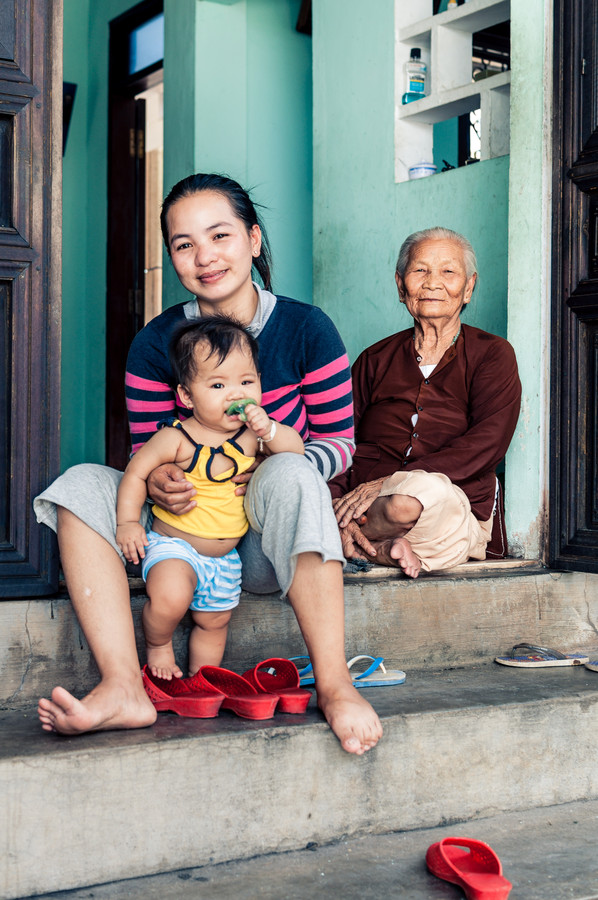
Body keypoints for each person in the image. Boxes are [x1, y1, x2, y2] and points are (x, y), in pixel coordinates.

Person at [34, 173, 382, 754]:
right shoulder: (156, 344)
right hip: (177, 540)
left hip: (260, 546)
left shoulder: (306, 329)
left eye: (219, 235)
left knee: (293, 470)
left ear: (253, 239)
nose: (204, 257)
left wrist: (269, 461)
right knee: (79, 484)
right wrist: (163, 483)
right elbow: (150, 448)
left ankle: (336, 683)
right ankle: (123, 687)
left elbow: (339, 445)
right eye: (184, 244)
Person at [116, 316, 304, 680]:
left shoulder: (251, 436)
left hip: (225, 560)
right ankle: (158, 646)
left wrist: (272, 430)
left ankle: (203, 677)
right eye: (218, 384)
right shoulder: (177, 438)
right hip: (175, 546)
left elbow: (295, 452)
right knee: (170, 598)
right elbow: (137, 472)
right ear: (186, 396)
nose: (236, 394)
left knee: (214, 622)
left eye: (247, 382)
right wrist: (127, 522)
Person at [330, 227, 521, 578]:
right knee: (319, 500)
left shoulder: (492, 354)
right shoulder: (374, 358)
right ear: (401, 286)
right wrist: (332, 502)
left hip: (445, 505)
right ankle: (376, 545)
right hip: (366, 508)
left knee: (413, 499)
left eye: (448, 272)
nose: (433, 282)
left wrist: (389, 482)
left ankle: (345, 540)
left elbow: (489, 442)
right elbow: (340, 439)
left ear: (469, 287)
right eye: (420, 271)